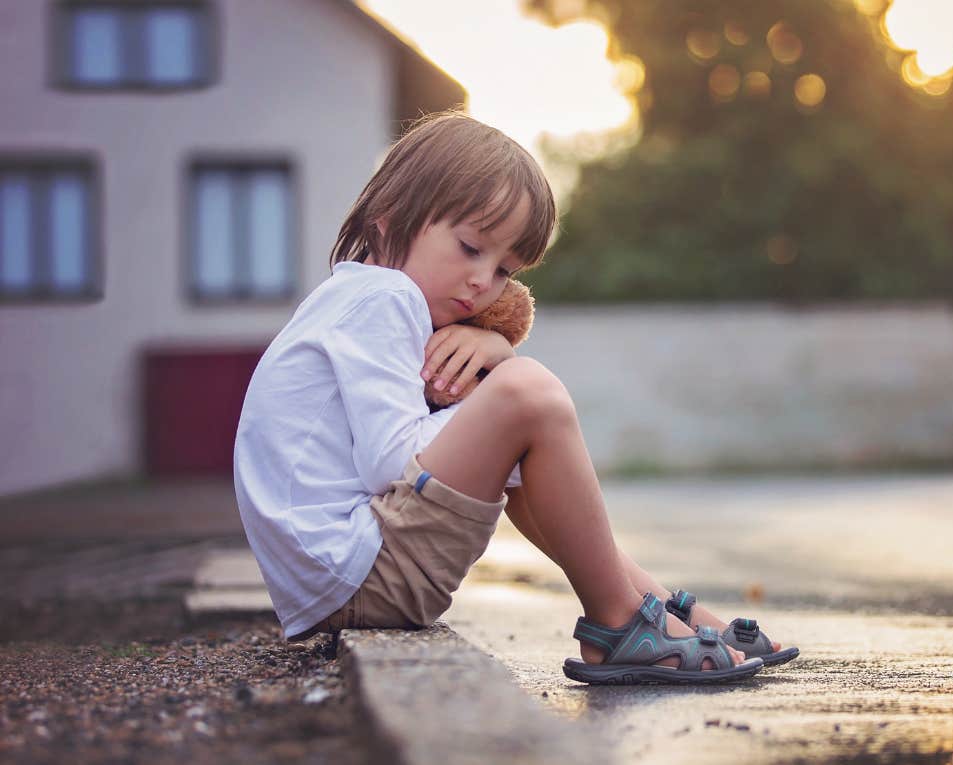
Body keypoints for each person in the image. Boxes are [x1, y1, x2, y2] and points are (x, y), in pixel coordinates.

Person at [233, 111, 789, 684]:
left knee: (523, 433)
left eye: (504, 270)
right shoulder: (384, 297)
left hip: (341, 581)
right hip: (357, 569)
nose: (483, 283)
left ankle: (660, 608)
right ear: (389, 218)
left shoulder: (358, 299)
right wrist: (496, 387)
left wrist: (488, 387)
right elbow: (387, 463)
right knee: (530, 391)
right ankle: (622, 623)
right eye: (470, 247)